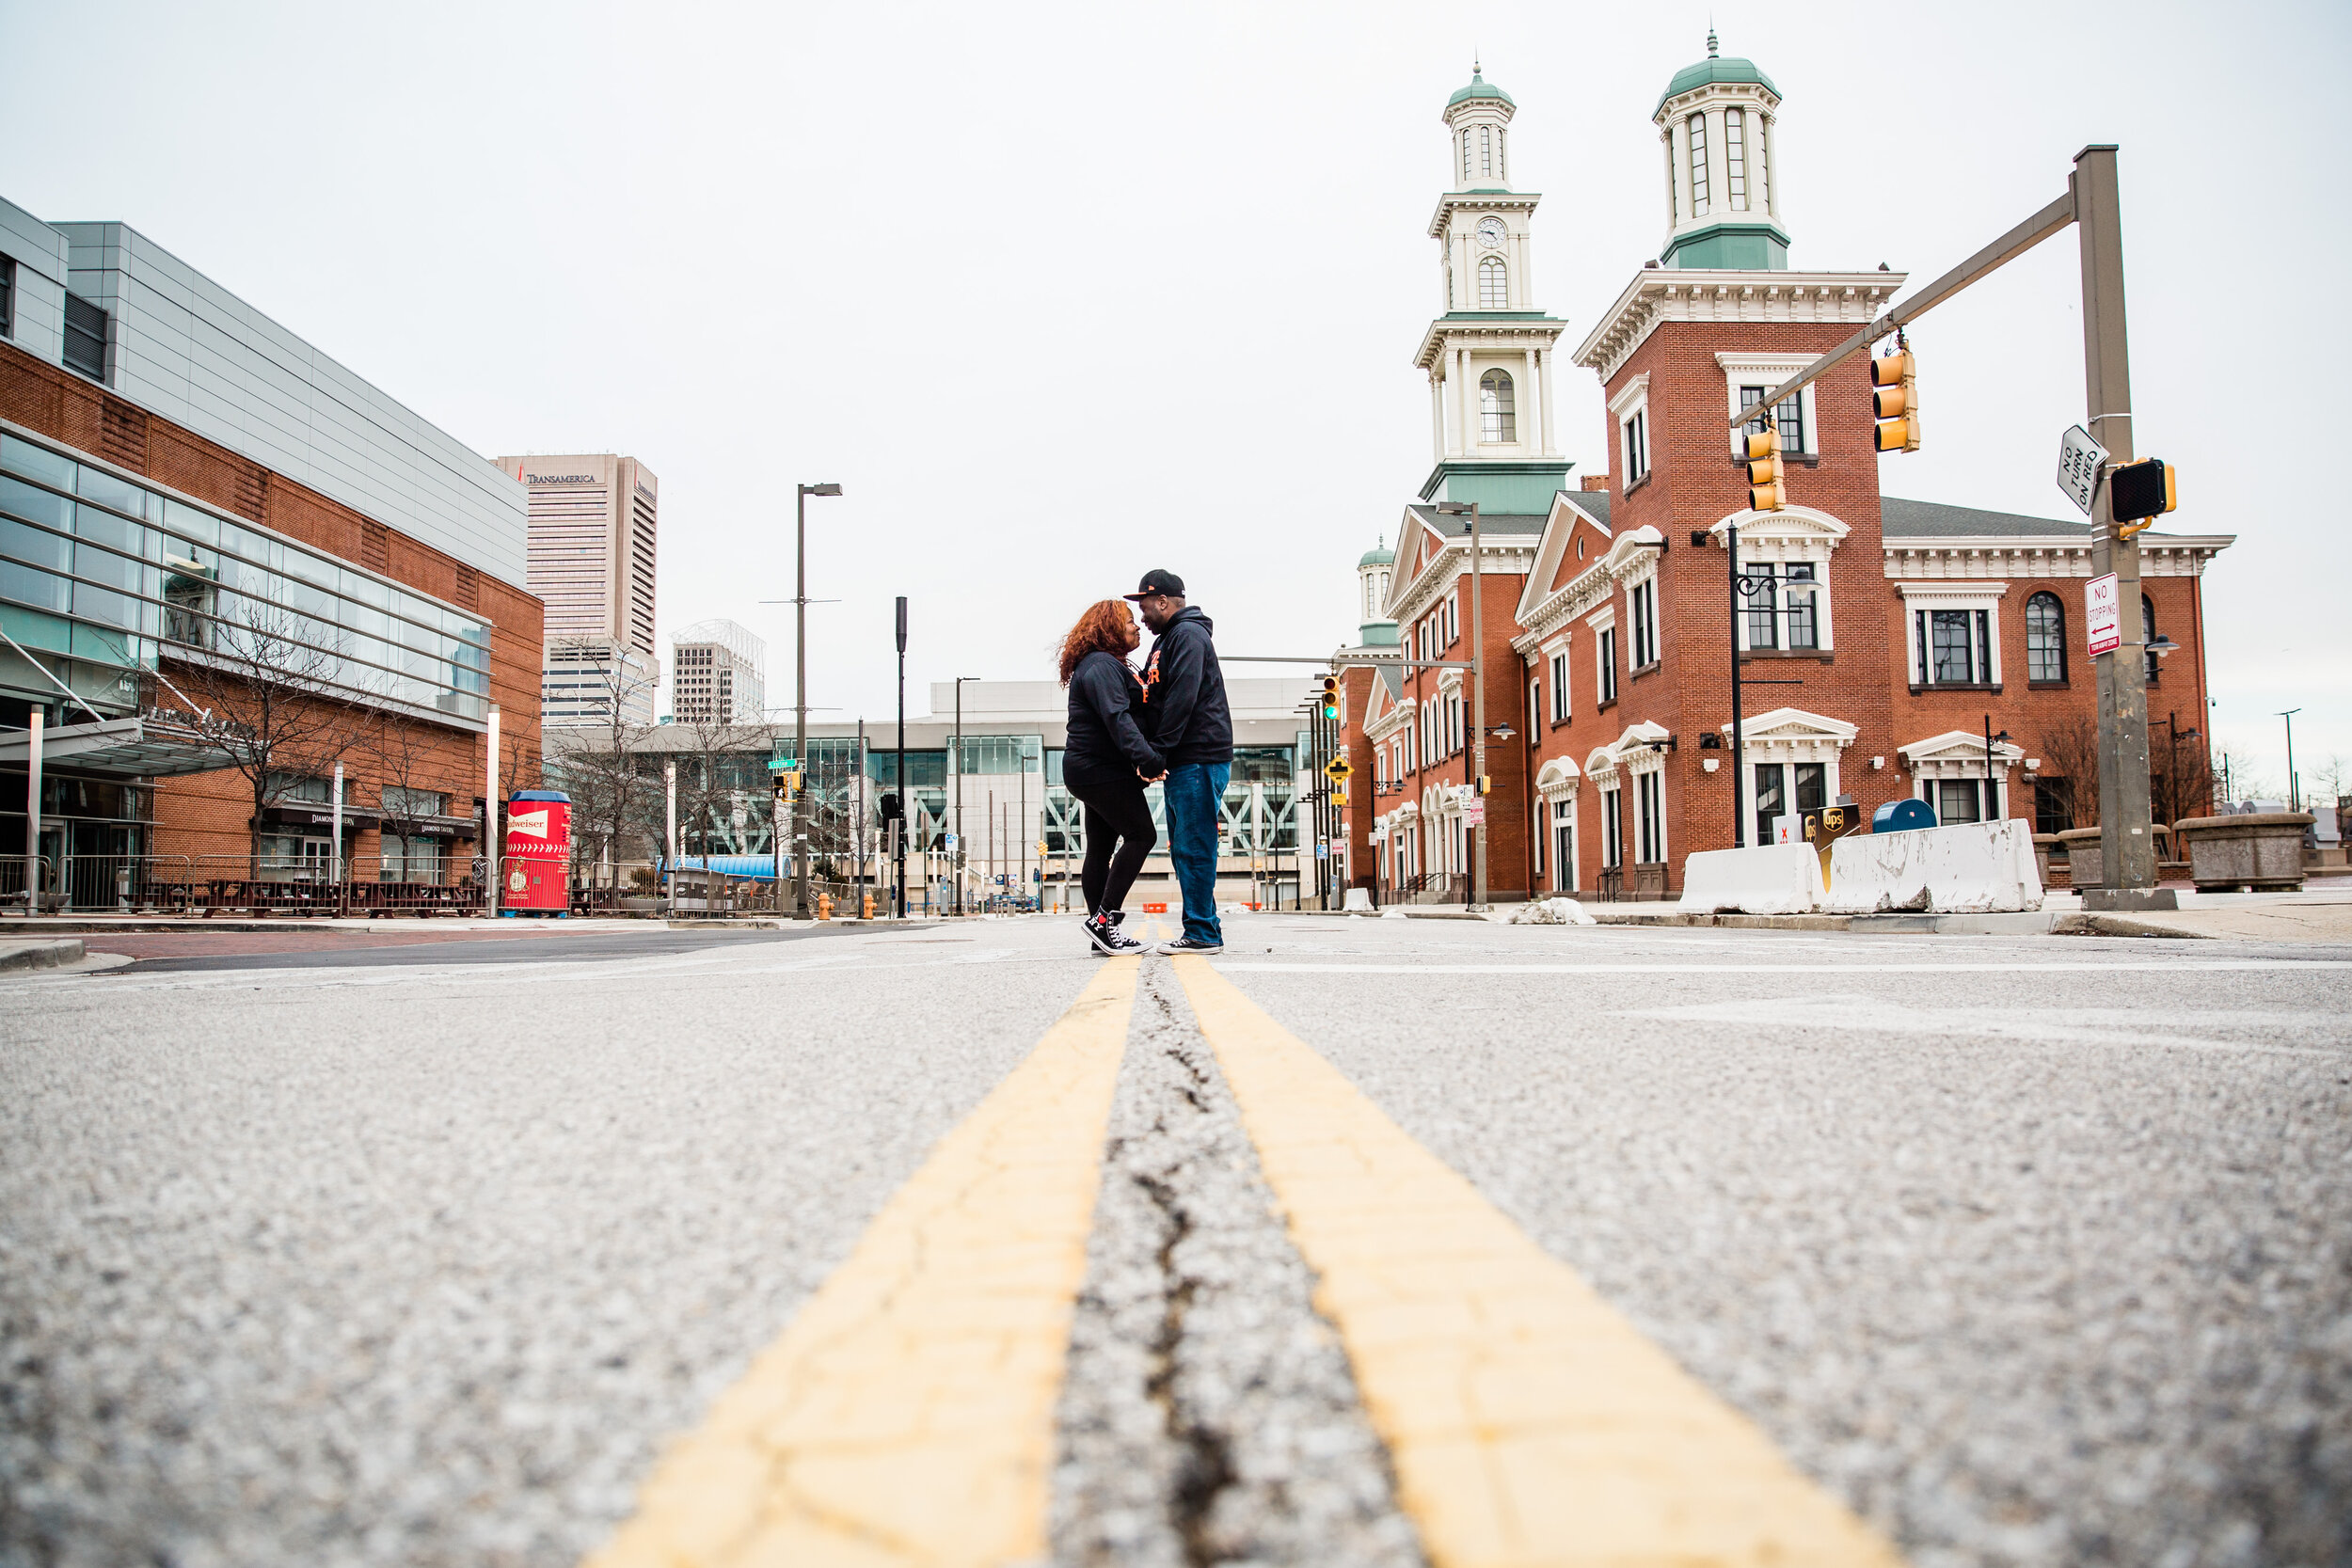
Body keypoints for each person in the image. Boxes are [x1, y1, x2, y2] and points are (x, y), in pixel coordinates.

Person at [1128, 569, 1232, 954]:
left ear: (1163, 601)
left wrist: (1157, 753)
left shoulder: (1187, 635)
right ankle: (1206, 928)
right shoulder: (1171, 639)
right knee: (1186, 846)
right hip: (1186, 759)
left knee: (1194, 845)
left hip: (1198, 755)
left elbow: (1182, 699)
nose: (1141, 616)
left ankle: (1202, 933)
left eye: (1144, 606)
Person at [1056, 597, 1161, 956]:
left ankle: (1102, 933)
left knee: (1100, 849)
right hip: (1097, 770)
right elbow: (1118, 719)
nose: (1135, 627)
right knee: (1142, 835)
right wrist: (1147, 760)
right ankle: (1103, 921)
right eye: (1129, 620)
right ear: (1110, 627)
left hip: (1094, 770)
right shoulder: (1101, 666)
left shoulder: (1106, 664)